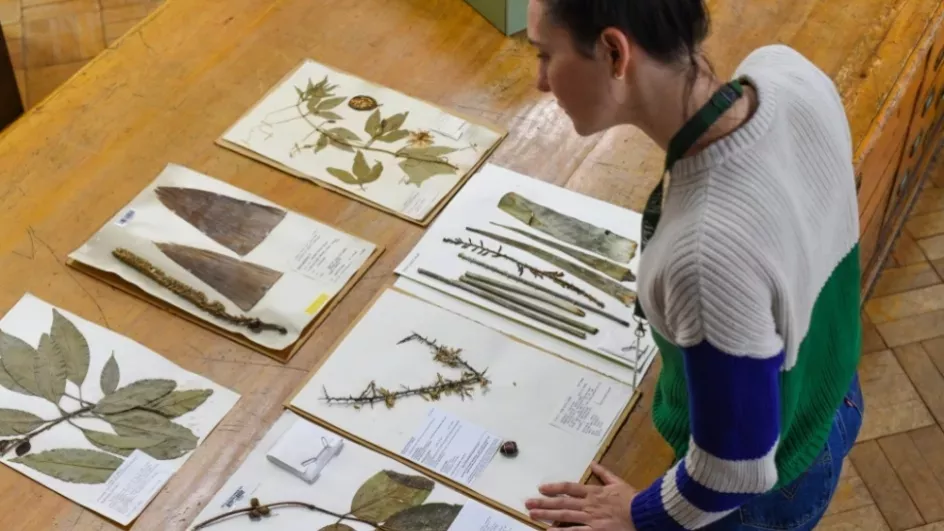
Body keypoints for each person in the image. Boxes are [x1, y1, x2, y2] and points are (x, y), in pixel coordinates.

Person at [522, 0, 864, 530]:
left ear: (615, 52)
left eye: (546, 55)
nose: (541, 81)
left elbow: (734, 472)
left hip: (763, 489)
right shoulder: (787, 70)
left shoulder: (704, 255)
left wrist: (642, 515)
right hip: (832, 400)